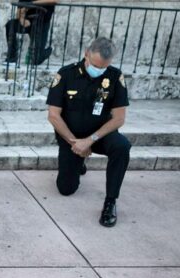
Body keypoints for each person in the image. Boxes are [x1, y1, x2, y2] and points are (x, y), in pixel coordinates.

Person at [46, 37, 130, 227]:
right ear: (86, 53)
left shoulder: (115, 77)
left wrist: (90, 140)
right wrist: (75, 143)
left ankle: (110, 201)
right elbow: (53, 115)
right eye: (95, 65)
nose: (98, 71)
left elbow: (119, 118)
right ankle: (78, 162)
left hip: (99, 135)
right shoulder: (66, 74)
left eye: (103, 67)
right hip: (71, 137)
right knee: (66, 189)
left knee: (122, 146)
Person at [5, 0, 56, 65]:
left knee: (37, 60)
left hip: (42, 24)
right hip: (28, 22)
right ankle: (12, 57)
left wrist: (32, 3)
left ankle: (48, 50)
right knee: (10, 25)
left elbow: (54, 1)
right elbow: (19, 11)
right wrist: (22, 19)